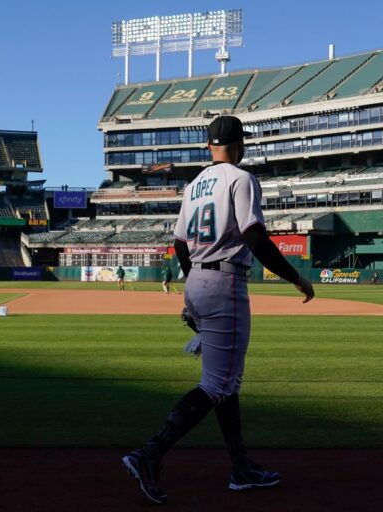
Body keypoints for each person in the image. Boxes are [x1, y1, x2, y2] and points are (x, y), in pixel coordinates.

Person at [122, 115, 315, 504]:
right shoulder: (240, 178)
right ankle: (149, 454)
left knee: (227, 383)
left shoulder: (194, 185)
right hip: (225, 283)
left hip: (198, 280)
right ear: (240, 145)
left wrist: (193, 284)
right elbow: (254, 236)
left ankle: (240, 465)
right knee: (217, 385)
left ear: (209, 146)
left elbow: (179, 243)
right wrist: (295, 277)